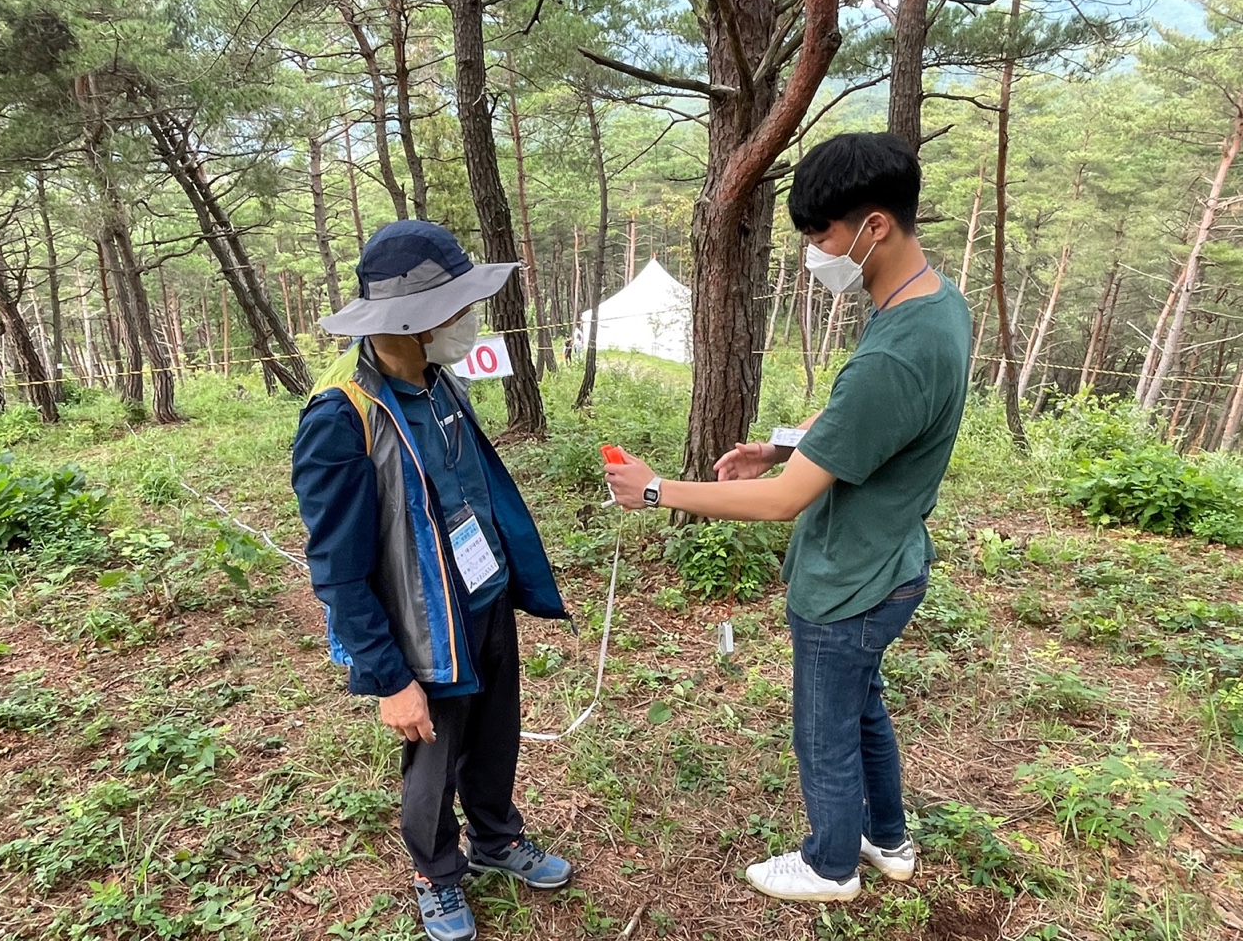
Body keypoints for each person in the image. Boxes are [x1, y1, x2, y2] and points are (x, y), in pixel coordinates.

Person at [605, 133, 971, 903]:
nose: (815, 253)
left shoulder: (896, 351)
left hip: (852, 580)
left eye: (821, 235)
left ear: (875, 226)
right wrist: (779, 446)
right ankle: (887, 839)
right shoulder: (932, 303)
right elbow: (857, 418)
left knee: (825, 728)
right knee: (862, 707)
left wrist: (655, 490)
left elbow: (782, 502)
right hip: (893, 560)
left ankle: (830, 865)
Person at [292, 220, 573, 941]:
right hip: (425, 619)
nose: (471, 317)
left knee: (495, 733)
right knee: (433, 752)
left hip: (483, 596)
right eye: (459, 305)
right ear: (412, 321)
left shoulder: (439, 380)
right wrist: (388, 677)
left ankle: (496, 837)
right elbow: (338, 569)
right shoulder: (342, 415)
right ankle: (436, 872)